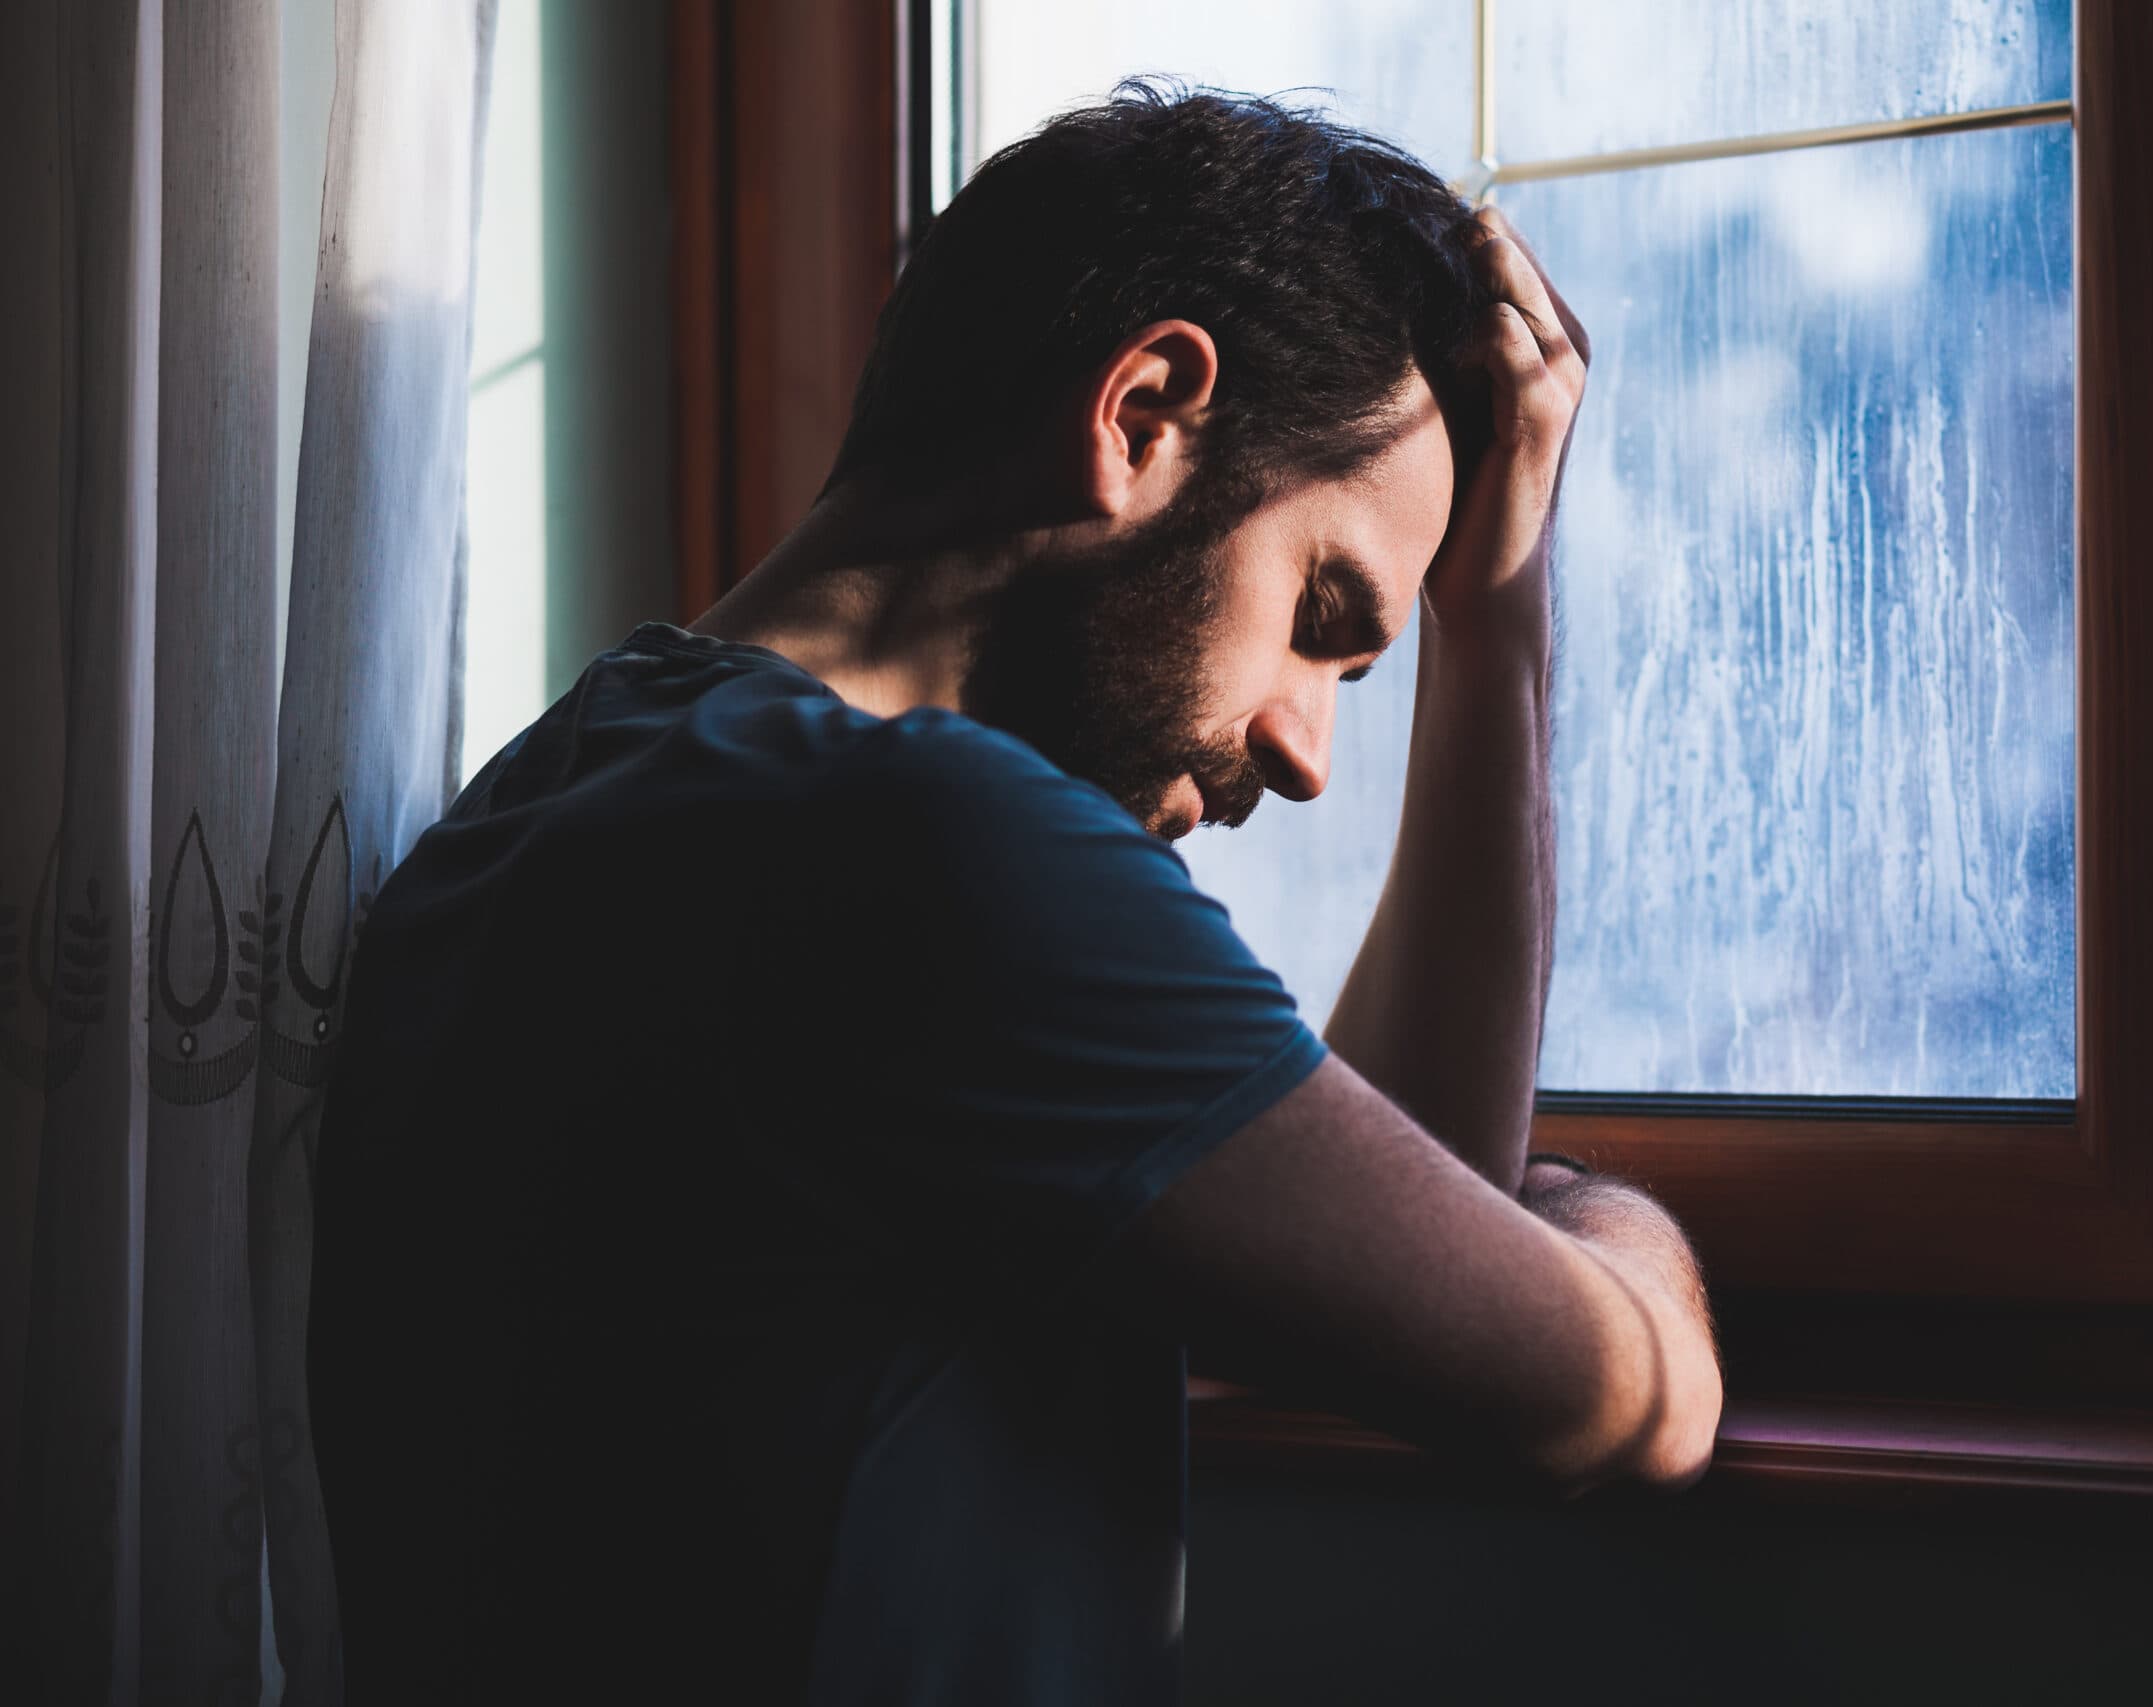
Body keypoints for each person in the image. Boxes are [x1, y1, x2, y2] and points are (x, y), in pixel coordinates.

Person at [307, 81, 1720, 1707]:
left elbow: (1405, 1244)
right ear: (1142, 415)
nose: (1309, 751)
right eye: (1321, 609)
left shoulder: (552, 804)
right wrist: (1618, 1225)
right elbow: (1609, 1396)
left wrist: (1489, 618)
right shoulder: (933, 851)